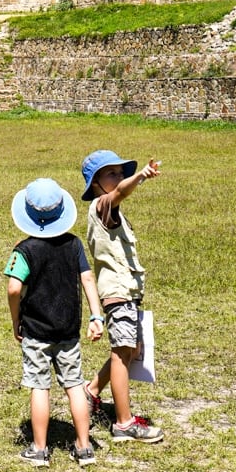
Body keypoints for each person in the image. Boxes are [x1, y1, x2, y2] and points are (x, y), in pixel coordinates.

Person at [5, 178, 105, 467]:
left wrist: (16, 320)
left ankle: (39, 449)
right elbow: (87, 278)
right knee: (74, 385)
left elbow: (13, 288)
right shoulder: (74, 245)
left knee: (40, 387)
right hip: (68, 329)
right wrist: (96, 315)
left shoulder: (23, 249)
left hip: (36, 331)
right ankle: (84, 447)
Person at [79, 150, 165, 444]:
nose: (119, 177)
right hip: (118, 292)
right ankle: (123, 423)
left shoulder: (109, 208)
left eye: (121, 171)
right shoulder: (103, 204)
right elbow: (119, 192)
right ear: (95, 185)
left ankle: (91, 391)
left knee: (128, 349)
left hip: (125, 292)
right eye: (111, 173)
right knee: (121, 352)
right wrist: (139, 176)